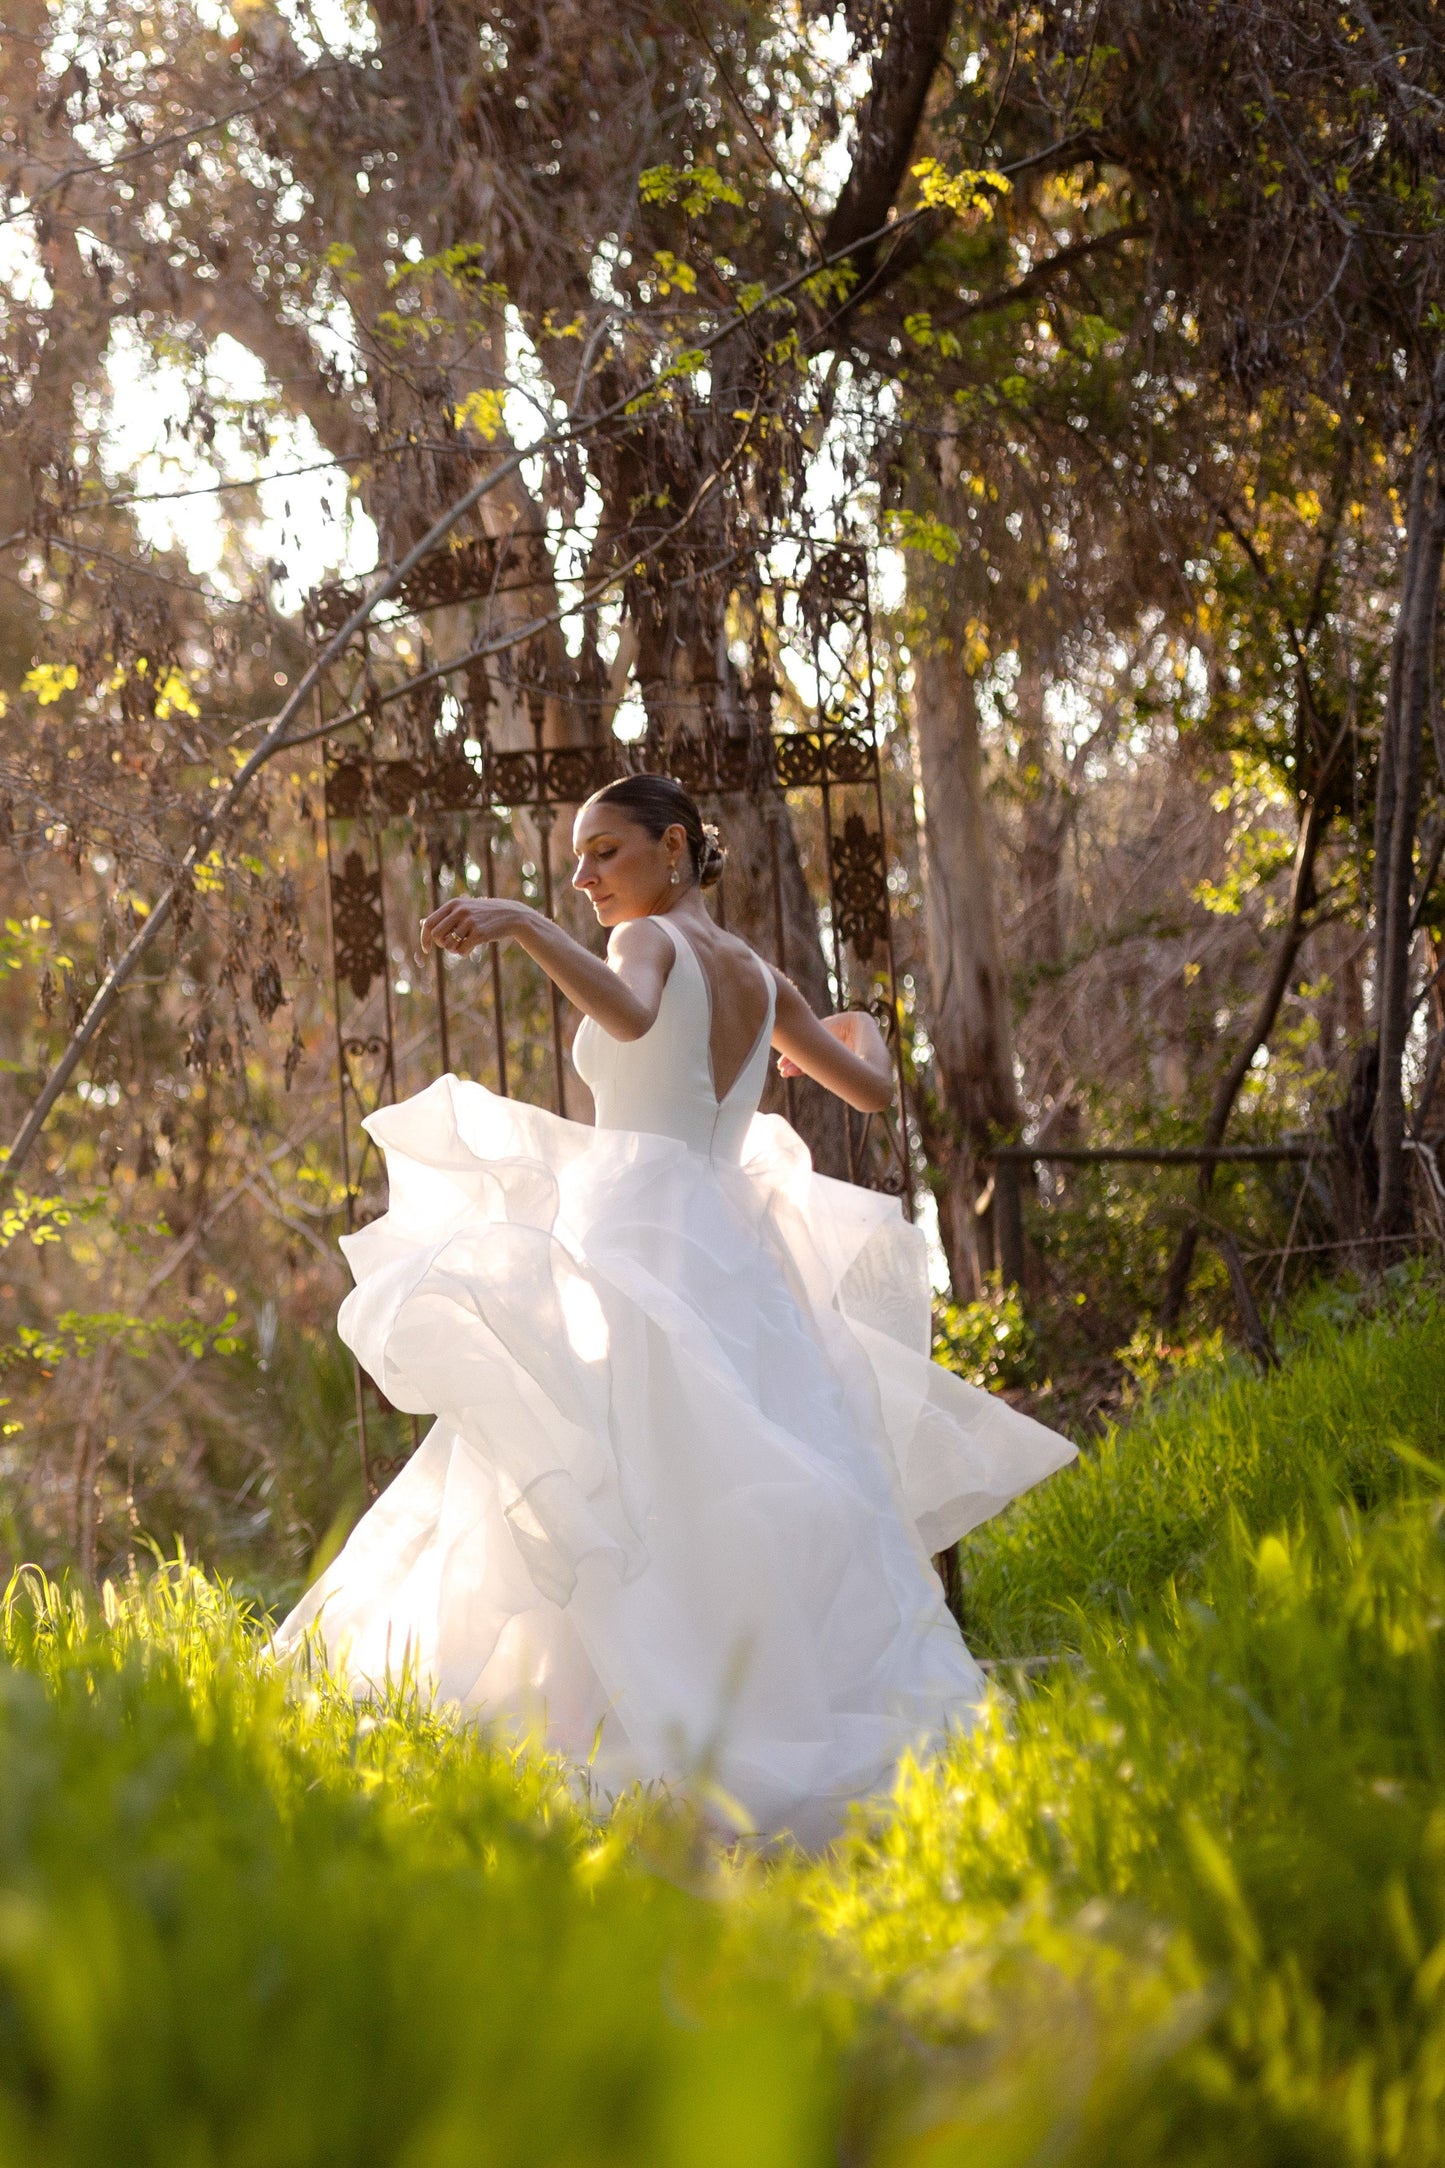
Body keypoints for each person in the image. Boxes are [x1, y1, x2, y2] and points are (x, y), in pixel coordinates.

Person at [273, 774, 1075, 1845]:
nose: (585, 876)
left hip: (642, 1230)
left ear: (674, 847)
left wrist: (519, 923)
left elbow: (632, 1012)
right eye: (577, 859)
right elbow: (870, 1087)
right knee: (709, 1474)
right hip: (734, 1247)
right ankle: (708, 1700)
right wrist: (863, 1028)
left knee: (603, 1467)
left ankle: (622, 1722)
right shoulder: (759, 970)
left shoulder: (644, 943)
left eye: (604, 852)